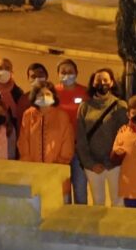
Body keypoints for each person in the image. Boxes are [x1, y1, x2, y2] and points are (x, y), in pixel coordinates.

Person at [76, 68, 129, 206]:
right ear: (93, 84)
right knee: (98, 202)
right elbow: (81, 138)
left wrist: (111, 161)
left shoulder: (120, 106)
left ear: (112, 83)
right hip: (93, 165)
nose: (102, 83)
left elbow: (124, 138)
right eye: (98, 80)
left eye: (106, 80)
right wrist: (90, 163)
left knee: (118, 202)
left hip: (114, 164)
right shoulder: (85, 107)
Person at [17, 80, 76, 205]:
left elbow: (68, 143)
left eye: (48, 94)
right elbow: (23, 141)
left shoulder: (62, 116)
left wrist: (57, 165)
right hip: (33, 173)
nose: (44, 97)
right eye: (40, 94)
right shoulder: (28, 115)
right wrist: (30, 166)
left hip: (56, 173)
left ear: (54, 97)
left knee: (58, 211)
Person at [55, 59, 89, 205]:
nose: (67, 75)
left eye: (70, 72)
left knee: (80, 189)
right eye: (63, 72)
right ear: (58, 74)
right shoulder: (52, 93)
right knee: (62, 190)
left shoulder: (84, 92)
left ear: (76, 73)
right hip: (59, 149)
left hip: (78, 149)